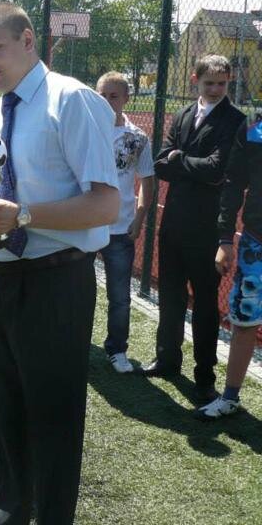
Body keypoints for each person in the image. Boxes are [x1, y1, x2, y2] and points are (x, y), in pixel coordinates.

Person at [0, 2, 119, 524]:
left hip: (58, 281)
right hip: (2, 280)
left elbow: (105, 205)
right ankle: (10, 513)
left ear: (27, 41)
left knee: (54, 419)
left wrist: (21, 215)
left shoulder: (73, 100)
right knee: (7, 414)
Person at [140, 55, 246, 404]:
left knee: (204, 305)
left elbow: (216, 170)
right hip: (173, 224)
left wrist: (177, 159)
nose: (215, 89)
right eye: (208, 83)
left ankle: (204, 377)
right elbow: (160, 164)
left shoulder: (235, 120)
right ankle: (167, 359)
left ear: (228, 82)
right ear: (194, 80)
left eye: (221, 84)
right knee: (170, 297)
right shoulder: (184, 114)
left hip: (206, 228)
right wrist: (180, 162)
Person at [198, 108, 262, 419]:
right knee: (244, 321)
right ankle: (230, 396)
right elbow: (234, 182)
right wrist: (225, 238)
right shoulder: (253, 125)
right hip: (256, 242)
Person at [95, 71, 154, 373]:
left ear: (126, 99)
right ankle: (75, 343)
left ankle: (117, 349)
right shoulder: (85, 131)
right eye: (102, 95)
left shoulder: (137, 138)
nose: (107, 101)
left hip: (120, 230)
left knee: (120, 297)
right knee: (78, 292)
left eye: (113, 96)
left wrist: (139, 218)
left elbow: (147, 180)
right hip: (85, 226)